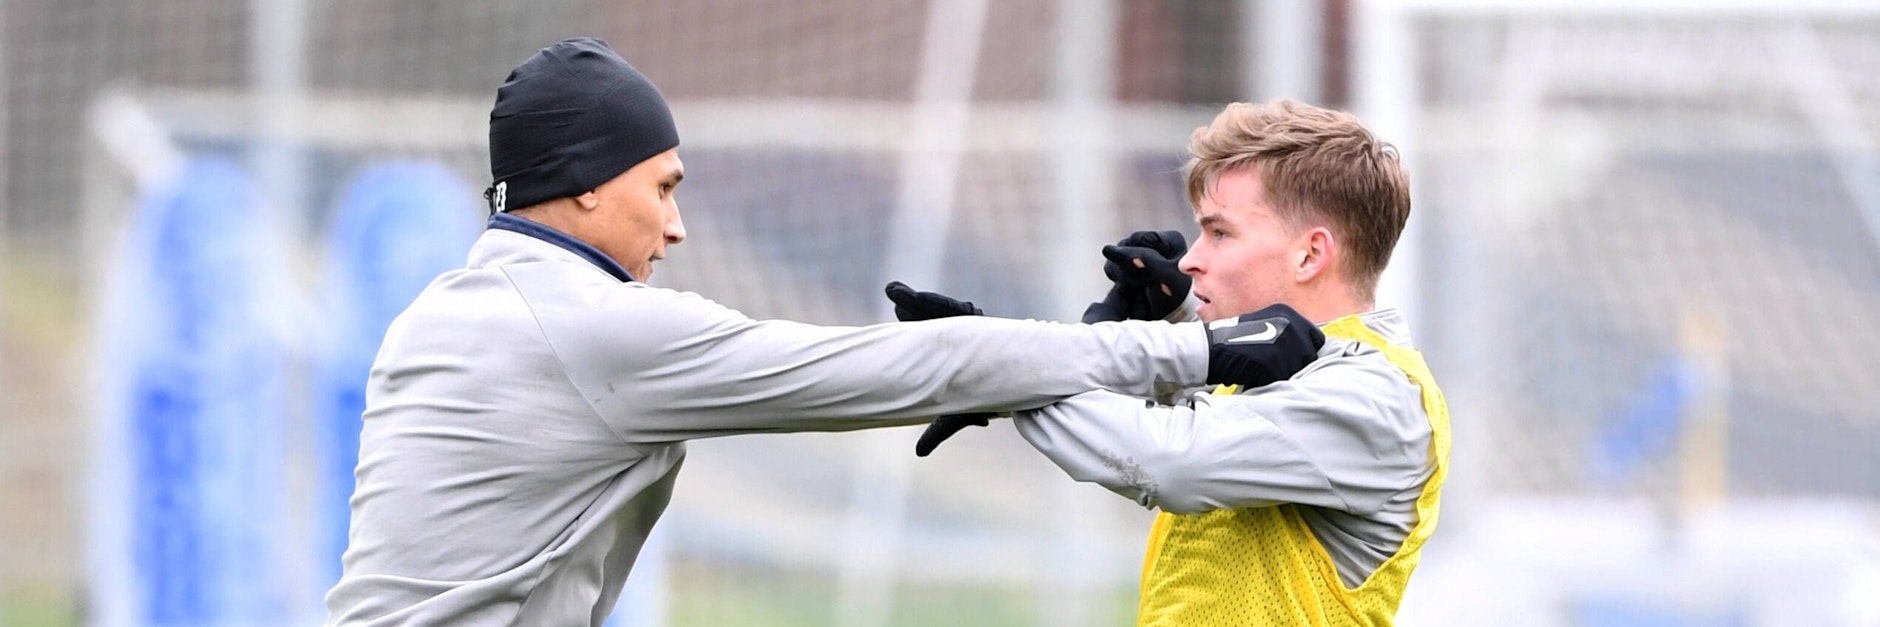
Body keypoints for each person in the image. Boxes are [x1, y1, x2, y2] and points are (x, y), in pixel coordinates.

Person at [322, 39, 1329, 626]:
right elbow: (888, 369)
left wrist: (1052, 355)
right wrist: (1195, 349)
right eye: (661, 188)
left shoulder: (445, 310)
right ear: (584, 182)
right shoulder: (590, 329)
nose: (676, 226)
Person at [891, 100, 1450, 626]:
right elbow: (1190, 422)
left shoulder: (1375, 391)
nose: (1190, 259)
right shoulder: (1279, 376)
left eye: (1220, 233)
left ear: (1310, 254)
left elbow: (1164, 458)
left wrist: (997, 370)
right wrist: (1174, 318)